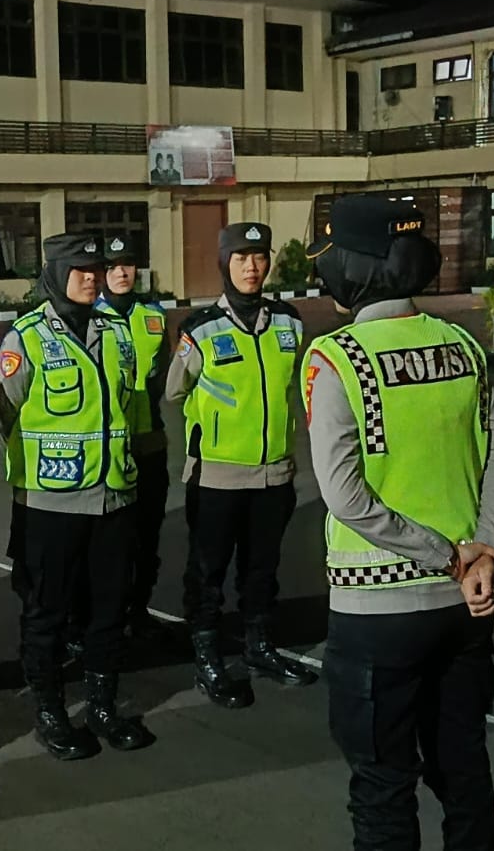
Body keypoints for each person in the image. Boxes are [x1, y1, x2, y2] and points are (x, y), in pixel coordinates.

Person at [303, 195, 494, 851]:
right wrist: (483, 551)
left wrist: (442, 555)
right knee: (464, 769)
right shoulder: (461, 344)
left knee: (383, 787)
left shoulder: (337, 357)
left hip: (378, 614)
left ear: (356, 267)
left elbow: (345, 495)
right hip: (465, 607)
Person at [0, 234, 152, 762]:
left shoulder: (117, 331)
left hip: (114, 497)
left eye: (96, 269)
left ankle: (102, 706)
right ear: (56, 274)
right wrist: (37, 472)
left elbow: (128, 404)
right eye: (80, 270)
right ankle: (51, 712)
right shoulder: (27, 338)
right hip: (50, 505)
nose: (91, 277)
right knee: (47, 613)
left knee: (109, 610)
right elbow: (2, 418)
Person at [166, 221, 318, 708]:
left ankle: (259, 647)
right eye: (241, 258)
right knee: (207, 572)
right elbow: (175, 390)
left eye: (259, 257)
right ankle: (207, 657)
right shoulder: (200, 328)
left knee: (262, 569)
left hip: (275, 473)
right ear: (224, 263)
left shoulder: (289, 323)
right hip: (217, 476)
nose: (252, 267)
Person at [96, 235, 171, 639]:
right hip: (109, 448)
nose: (121, 272)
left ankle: (138, 610)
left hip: (150, 441)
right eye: (112, 266)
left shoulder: (154, 315)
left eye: (127, 264)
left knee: (148, 535)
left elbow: (164, 374)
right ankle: (104, 620)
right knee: (111, 541)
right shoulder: (91, 318)